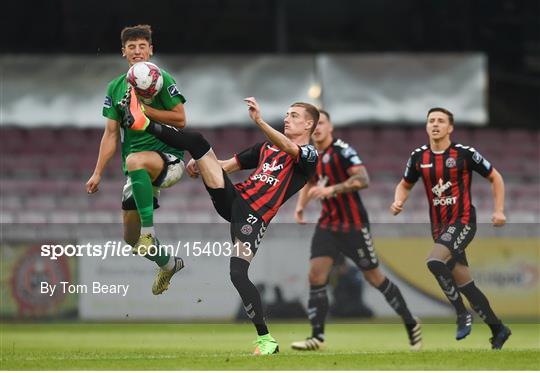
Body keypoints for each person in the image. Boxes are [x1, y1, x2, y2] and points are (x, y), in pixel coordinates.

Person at [122, 88, 319, 355]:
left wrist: (260, 122)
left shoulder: (309, 155)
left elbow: (289, 147)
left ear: (309, 124)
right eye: (286, 114)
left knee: (237, 274)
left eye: (294, 116)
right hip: (233, 199)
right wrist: (201, 165)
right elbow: (228, 164)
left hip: (253, 218)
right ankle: (143, 122)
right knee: (198, 143)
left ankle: (266, 340)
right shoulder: (266, 148)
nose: (287, 119)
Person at [291, 110, 422, 351]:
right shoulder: (310, 155)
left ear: (331, 127)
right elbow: (310, 182)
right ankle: (317, 337)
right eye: (314, 124)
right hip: (327, 224)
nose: (317, 128)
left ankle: (410, 321)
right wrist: (300, 206)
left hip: (353, 225)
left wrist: (333, 190)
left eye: (322, 123)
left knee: (374, 278)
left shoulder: (343, 151)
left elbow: (363, 179)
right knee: (316, 276)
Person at [390, 107, 511, 350]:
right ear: (426, 127)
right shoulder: (418, 157)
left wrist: (499, 210)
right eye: (431, 121)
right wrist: (398, 200)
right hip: (439, 227)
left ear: (450, 128)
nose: (435, 124)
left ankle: (461, 313)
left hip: (463, 221)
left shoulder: (464, 154)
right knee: (466, 284)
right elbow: (404, 184)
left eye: (440, 121)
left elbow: (495, 177)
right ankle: (498, 329)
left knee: (434, 261)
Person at [85, 25, 186, 295]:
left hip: (168, 161)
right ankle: (169, 264)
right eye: (132, 47)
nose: (137, 51)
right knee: (131, 239)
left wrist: (145, 112)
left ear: (151, 50)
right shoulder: (115, 87)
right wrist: (97, 172)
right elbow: (110, 134)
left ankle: (150, 230)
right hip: (137, 168)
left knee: (135, 160)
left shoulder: (161, 78)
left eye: (142, 46)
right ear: (124, 53)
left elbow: (180, 118)